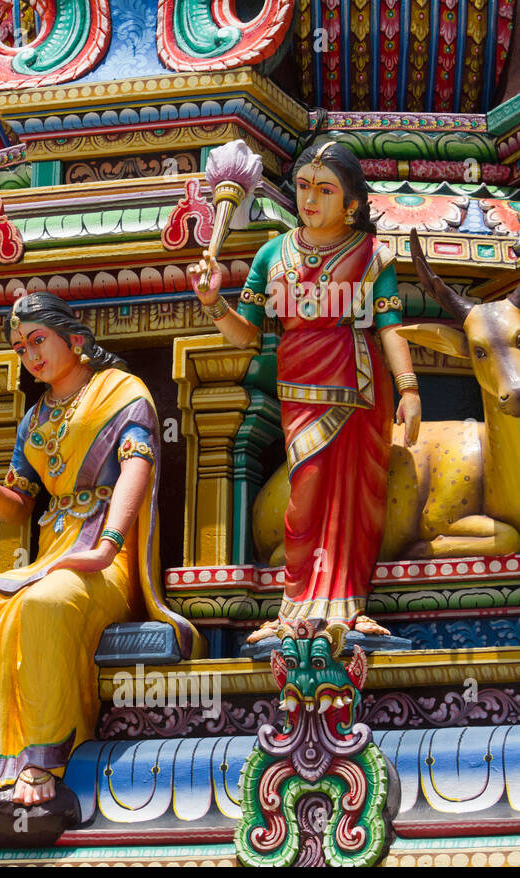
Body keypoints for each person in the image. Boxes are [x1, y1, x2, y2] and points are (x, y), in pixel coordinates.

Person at [0, 293, 199, 810]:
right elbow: (19, 506)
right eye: (20, 348)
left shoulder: (122, 393)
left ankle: (41, 759)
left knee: (45, 605)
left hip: (104, 564)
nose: (31, 356)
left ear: (74, 341)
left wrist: (106, 547)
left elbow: (136, 470)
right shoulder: (35, 419)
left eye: (38, 341)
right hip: (49, 558)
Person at [187, 140, 422, 642]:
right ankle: (296, 607)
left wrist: (409, 388)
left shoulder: (371, 255)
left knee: (357, 499)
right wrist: (212, 302)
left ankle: (345, 607)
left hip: (355, 387)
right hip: (298, 389)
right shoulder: (272, 253)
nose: (309, 199)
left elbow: (389, 326)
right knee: (305, 496)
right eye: (302, 187)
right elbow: (248, 334)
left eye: (324, 189)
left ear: (352, 203)